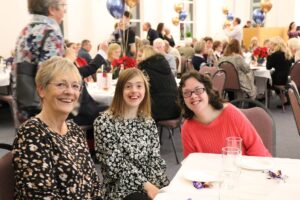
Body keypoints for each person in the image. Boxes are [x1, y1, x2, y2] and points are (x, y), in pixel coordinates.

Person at [13, 57, 102, 199]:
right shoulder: (32, 133)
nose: (70, 92)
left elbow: (94, 184)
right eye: (61, 85)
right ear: (42, 90)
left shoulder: (74, 130)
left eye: (75, 86)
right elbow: (41, 196)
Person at [94, 68, 169, 200]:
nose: (134, 90)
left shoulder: (148, 121)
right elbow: (116, 165)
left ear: (145, 91)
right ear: (119, 91)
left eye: (139, 86)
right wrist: (147, 186)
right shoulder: (104, 123)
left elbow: (155, 159)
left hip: (149, 182)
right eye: (128, 86)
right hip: (120, 188)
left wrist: (162, 185)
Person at [178, 71, 271, 158]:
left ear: (208, 92)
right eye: (186, 93)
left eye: (198, 90)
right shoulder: (188, 128)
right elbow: (191, 164)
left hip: (243, 170)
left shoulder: (230, 113)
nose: (193, 96)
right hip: (210, 174)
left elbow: (255, 147)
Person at [14, 0, 66, 121]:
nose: (65, 10)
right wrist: (68, 60)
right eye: (63, 5)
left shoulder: (26, 30)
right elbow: (51, 78)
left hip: (24, 103)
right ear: (52, 9)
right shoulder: (51, 33)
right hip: (42, 111)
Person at [138, 45, 180, 121]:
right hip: (175, 108)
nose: (137, 58)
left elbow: (141, 91)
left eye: (140, 56)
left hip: (159, 110)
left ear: (147, 55)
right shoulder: (163, 66)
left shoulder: (146, 70)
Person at [266, 36, 293, 107]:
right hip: (288, 79)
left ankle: (283, 98)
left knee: (267, 82)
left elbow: (268, 67)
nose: (269, 45)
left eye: (271, 44)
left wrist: (268, 56)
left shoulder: (275, 55)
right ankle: (285, 97)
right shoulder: (288, 53)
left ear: (276, 45)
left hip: (279, 80)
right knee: (272, 77)